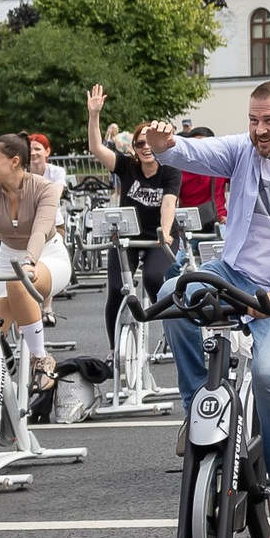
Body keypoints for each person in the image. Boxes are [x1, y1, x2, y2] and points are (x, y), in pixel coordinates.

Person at [137, 82, 270, 538]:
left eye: (269, 120)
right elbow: (194, 153)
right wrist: (165, 145)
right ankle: (197, 408)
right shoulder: (246, 150)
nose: (259, 130)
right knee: (173, 295)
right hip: (235, 272)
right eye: (253, 120)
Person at [86, 85, 181, 360]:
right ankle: (114, 348)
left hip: (159, 237)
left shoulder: (170, 171)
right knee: (117, 289)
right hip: (127, 235)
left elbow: (168, 204)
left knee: (154, 278)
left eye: (150, 143)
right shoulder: (127, 167)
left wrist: (165, 232)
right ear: (134, 149)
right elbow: (95, 147)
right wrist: (94, 115)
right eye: (140, 144)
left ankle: (171, 330)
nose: (146, 148)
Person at [0, 130, 68, 396]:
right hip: (8, 255)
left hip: (47, 254)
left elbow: (40, 231)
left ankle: (41, 358)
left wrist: (29, 262)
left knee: (19, 282)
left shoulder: (44, 188)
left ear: (14, 161)